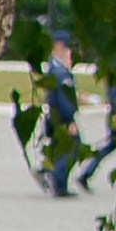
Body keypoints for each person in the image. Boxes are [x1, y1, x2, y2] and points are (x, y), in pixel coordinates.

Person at [40, 27, 86, 196]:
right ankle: (56, 179)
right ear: (59, 47)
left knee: (60, 148)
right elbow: (63, 99)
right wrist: (69, 119)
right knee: (71, 147)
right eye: (67, 48)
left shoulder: (54, 69)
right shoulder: (60, 72)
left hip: (53, 115)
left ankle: (50, 172)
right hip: (61, 117)